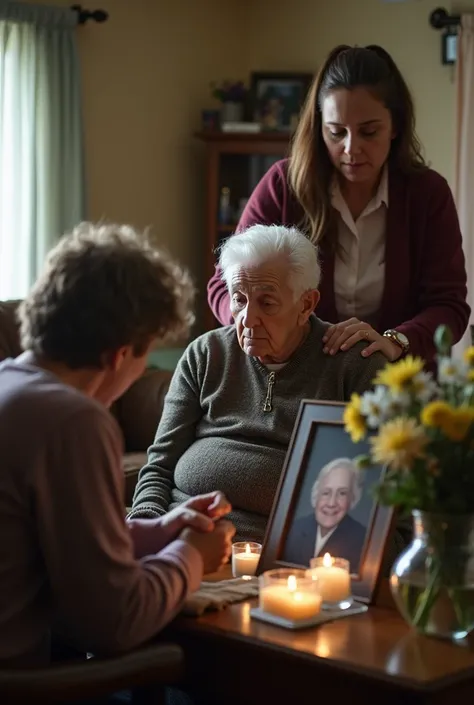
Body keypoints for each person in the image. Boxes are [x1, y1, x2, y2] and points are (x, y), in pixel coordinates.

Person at [0, 222, 236, 675]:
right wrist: (191, 555)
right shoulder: (73, 421)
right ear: (119, 354)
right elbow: (116, 621)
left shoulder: (11, 384)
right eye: (145, 355)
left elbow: (49, 542)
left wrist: (157, 532)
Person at [207, 45, 470, 365]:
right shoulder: (284, 185)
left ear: (396, 127)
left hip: (397, 385)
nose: (351, 148)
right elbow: (223, 285)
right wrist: (254, 323)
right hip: (295, 378)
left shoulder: (428, 194)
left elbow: (449, 306)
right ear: (320, 128)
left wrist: (395, 341)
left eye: (369, 132)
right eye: (336, 132)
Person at [129, 224, 388, 542]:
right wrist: (146, 531)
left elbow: (380, 498)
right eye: (239, 300)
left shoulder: (354, 367)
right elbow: (159, 466)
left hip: (287, 561)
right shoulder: (206, 354)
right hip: (183, 540)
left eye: (267, 303)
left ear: (306, 304)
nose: (248, 319)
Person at [284, 458, 366, 573]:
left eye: (342, 493)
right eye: (326, 493)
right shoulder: (293, 529)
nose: (331, 503)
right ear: (316, 495)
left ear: (353, 499)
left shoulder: (363, 541)